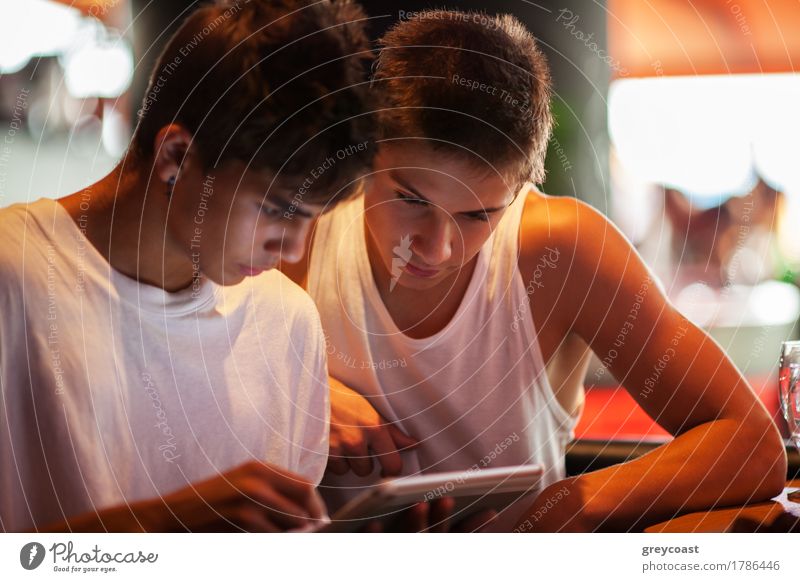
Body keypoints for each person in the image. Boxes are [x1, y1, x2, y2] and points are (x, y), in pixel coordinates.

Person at [280, 10, 787, 532]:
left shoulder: (562, 250)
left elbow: (752, 446)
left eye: (479, 214)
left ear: (520, 185)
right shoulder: (299, 233)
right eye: (411, 199)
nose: (436, 249)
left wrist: (573, 501)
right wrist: (294, 398)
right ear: (368, 156)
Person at [0, 0, 374, 532]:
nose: (291, 251)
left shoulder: (286, 319)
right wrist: (165, 526)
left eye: (311, 220)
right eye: (276, 210)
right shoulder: (14, 277)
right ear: (175, 156)